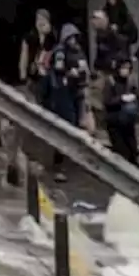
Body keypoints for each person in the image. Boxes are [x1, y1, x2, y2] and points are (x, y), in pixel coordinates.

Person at [40, 23, 88, 182]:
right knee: (66, 126)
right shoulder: (60, 51)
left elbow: (84, 67)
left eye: (75, 37)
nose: (73, 40)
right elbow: (58, 70)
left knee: (77, 126)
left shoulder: (79, 51)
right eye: (71, 37)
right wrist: (69, 72)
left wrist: (82, 75)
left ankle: (72, 160)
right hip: (62, 92)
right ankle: (59, 164)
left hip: (77, 91)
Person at [102, 58, 139, 164]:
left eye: (128, 68)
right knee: (122, 152)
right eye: (123, 68)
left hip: (127, 121)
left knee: (133, 149)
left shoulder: (130, 82)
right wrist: (121, 99)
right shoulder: (110, 81)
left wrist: (134, 98)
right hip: (114, 120)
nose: (126, 70)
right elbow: (107, 101)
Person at [18, 9, 55, 94]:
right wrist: (23, 76)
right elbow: (24, 58)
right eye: (38, 19)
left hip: (49, 77)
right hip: (33, 76)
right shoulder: (29, 38)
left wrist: (47, 34)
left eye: (43, 19)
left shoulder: (52, 37)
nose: (40, 22)